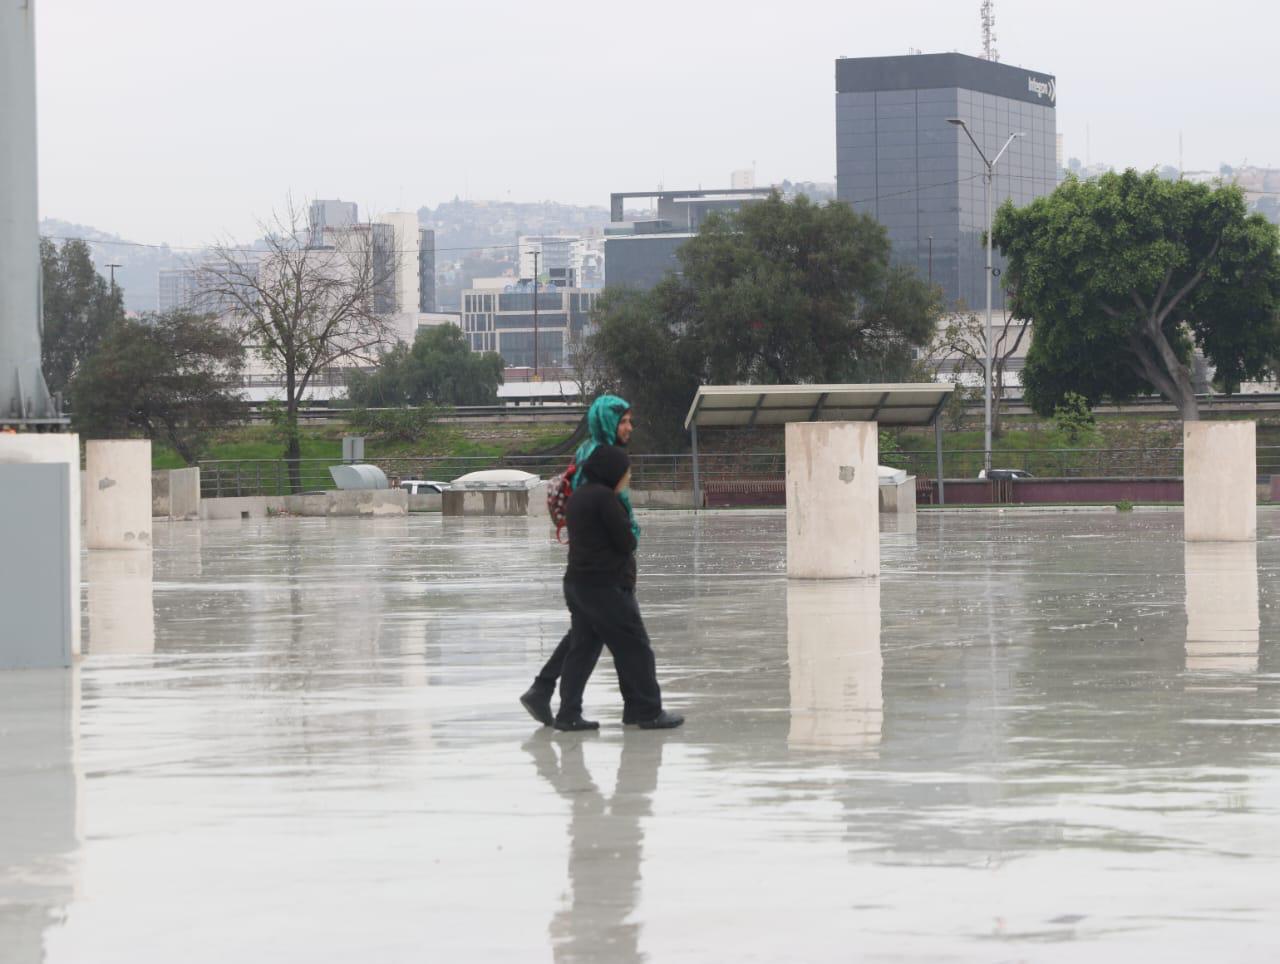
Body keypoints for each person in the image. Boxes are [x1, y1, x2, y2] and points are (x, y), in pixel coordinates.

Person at [519, 394, 637, 726]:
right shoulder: (601, 456)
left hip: (589, 565)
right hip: (601, 568)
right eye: (623, 421)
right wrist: (625, 541)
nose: (629, 427)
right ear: (608, 422)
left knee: (585, 635)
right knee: (623, 639)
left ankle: (547, 693)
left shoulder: (589, 451)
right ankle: (639, 706)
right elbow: (608, 511)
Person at [554, 442, 682, 731]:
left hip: (578, 584)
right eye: (626, 471)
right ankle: (647, 711)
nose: (628, 477)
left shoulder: (579, 497)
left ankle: (568, 713)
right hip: (606, 587)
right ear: (612, 471)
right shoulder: (605, 499)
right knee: (636, 648)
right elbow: (626, 541)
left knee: (581, 649)